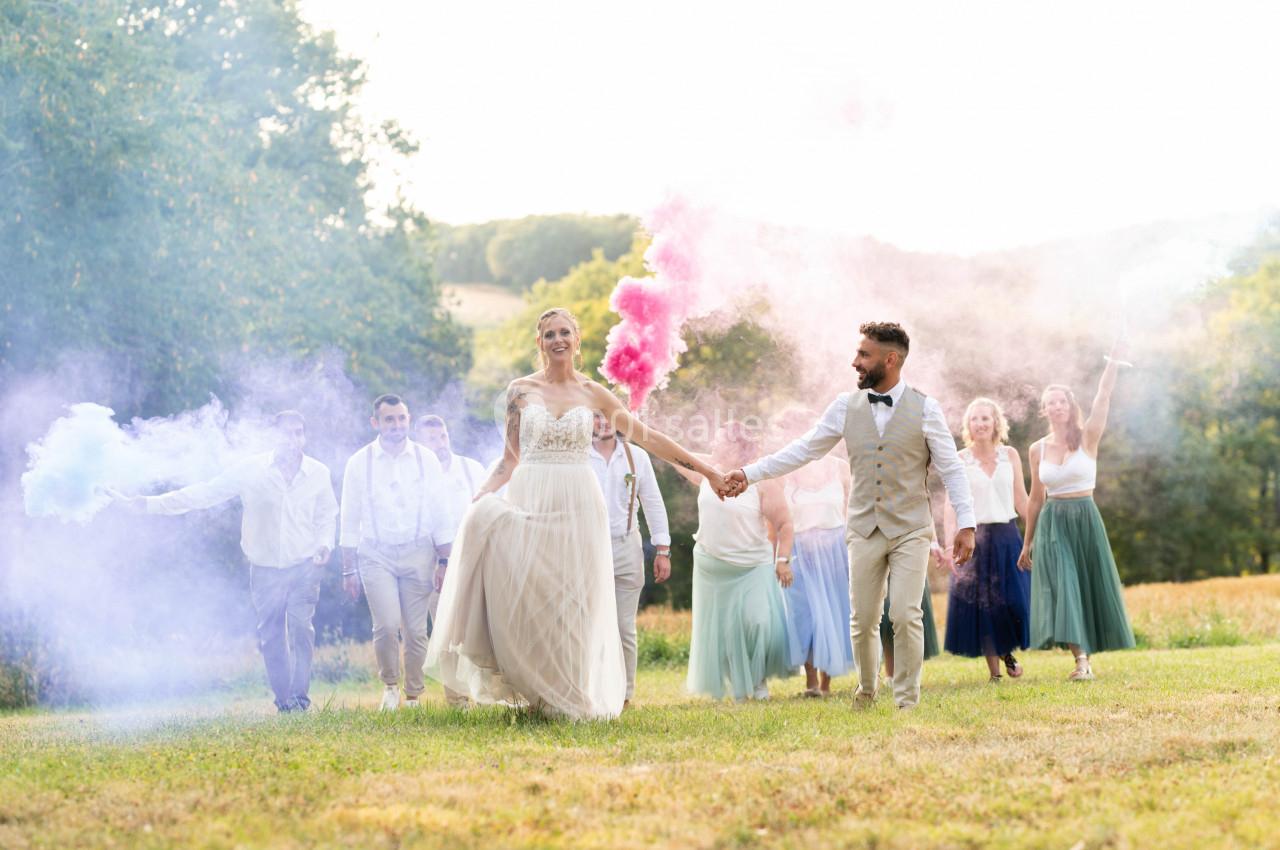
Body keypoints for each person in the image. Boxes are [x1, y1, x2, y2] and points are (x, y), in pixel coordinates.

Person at [426, 307, 729, 720]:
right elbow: (507, 461)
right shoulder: (519, 391)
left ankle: (566, 697)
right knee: (531, 600)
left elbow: (650, 438)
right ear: (539, 342)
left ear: (577, 339)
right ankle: (534, 693)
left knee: (572, 606)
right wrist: (480, 498)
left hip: (578, 505)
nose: (557, 340)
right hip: (530, 499)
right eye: (549, 334)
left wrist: (707, 471)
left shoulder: (593, 394)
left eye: (564, 332)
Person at [727, 322, 976, 710]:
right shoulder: (845, 407)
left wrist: (967, 523)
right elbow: (803, 450)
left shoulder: (926, 409)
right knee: (862, 619)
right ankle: (866, 689)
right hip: (862, 527)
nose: (855, 362)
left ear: (890, 360)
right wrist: (749, 473)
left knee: (906, 613)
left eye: (864, 355)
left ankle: (907, 699)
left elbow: (952, 468)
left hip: (911, 527)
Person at [114, 411, 338, 713]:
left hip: (303, 566)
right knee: (272, 636)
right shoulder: (252, 470)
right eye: (286, 433)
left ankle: (300, 699)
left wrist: (325, 544)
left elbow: (327, 514)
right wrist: (148, 504)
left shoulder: (318, 473)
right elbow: (204, 494)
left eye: (299, 433)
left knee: (301, 628)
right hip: (264, 569)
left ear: (305, 436)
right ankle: (285, 701)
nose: (293, 440)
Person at [1020, 344, 1135, 680]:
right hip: (1053, 523)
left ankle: (1086, 657)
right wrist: (1027, 543)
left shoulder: (1088, 438)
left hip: (1085, 517)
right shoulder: (1036, 449)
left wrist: (1112, 363)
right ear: (1044, 410)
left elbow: (1103, 396)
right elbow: (1034, 499)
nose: (1057, 406)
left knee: (1085, 586)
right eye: (1050, 402)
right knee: (1065, 588)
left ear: (1070, 407)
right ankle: (1081, 661)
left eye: (1062, 401)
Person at [340, 394, 456, 711]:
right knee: (388, 625)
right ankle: (390, 686)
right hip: (375, 554)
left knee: (417, 631)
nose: (396, 425)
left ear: (408, 420)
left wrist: (444, 562)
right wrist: (348, 570)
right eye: (389, 419)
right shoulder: (358, 462)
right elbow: (349, 519)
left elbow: (441, 514)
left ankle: (414, 695)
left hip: (419, 552)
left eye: (401, 418)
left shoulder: (425, 459)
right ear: (375, 423)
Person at [673, 420, 796, 701]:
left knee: (758, 623)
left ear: (738, 447)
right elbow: (675, 455)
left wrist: (783, 559)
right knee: (725, 632)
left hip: (753, 565)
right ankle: (741, 687)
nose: (713, 445)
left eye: (719, 441)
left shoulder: (761, 481)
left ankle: (759, 680)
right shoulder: (706, 471)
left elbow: (785, 523)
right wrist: (642, 427)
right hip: (712, 565)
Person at [941, 397, 1031, 682]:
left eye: (985, 418)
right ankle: (995, 673)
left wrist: (1036, 533)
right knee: (984, 606)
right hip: (973, 540)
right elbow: (949, 505)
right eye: (975, 419)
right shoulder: (960, 459)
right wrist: (948, 544)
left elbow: (1022, 499)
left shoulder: (1010, 455)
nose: (980, 423)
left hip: (1008, 536)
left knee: (1014, 602)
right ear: (968, 425)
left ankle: (1007, 652)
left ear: (996, 423)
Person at [589, 411, 672, 709]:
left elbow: (652, 502)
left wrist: (662, 549)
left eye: (609, 416)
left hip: (627, 546)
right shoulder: (577, 458)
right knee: (587, 624)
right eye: (596, 416)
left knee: (624, 627)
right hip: (587, 548)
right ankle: (591, 690)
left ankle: (624, 696)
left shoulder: (636, 457)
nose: (603, 422)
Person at [775, 412, 854, 697]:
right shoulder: (784, 472)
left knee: (831, 613)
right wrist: (780, 558)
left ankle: (826, 682)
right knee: (803, 614)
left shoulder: (840, 468)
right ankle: (810, 683)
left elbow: (851, 513)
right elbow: (778, 521)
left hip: (834, 550)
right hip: (798, 551)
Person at [413, 414, 486, 629]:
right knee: (443, 628)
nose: (441, 444)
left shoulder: (471, 469)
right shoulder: (415, 477)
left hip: (475, 556)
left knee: (479, 625)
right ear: (420, 445)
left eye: (443, 437)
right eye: (433, 439)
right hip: (434, 563)